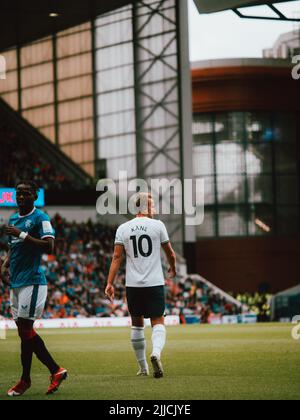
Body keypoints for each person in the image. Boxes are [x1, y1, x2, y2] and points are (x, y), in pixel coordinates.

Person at [0, 181, 67, 397]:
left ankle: (26, 379)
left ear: (34, 196)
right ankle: (55, 371)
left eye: (26, 193)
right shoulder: (12, 218)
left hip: (33, 281)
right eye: (18, 193)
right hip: (16, 282)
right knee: (24, 333)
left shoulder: (41, 218)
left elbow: (49, 246)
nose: (21, 197)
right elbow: (13, 248)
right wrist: (4, 264)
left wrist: (22, 234)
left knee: (26, 331)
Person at [105, 193, 177, 378]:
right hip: (154, 282)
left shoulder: (123, 228)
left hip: (133, 284)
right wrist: (173, 266)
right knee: (158, 321)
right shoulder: (158, 225)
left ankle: (143, 367)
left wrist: (109, 283)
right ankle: (156, 353)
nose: (155, 209)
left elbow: (116, 257)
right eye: (152, 206)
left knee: (136, 325)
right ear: (144, 207)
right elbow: (170, 252)